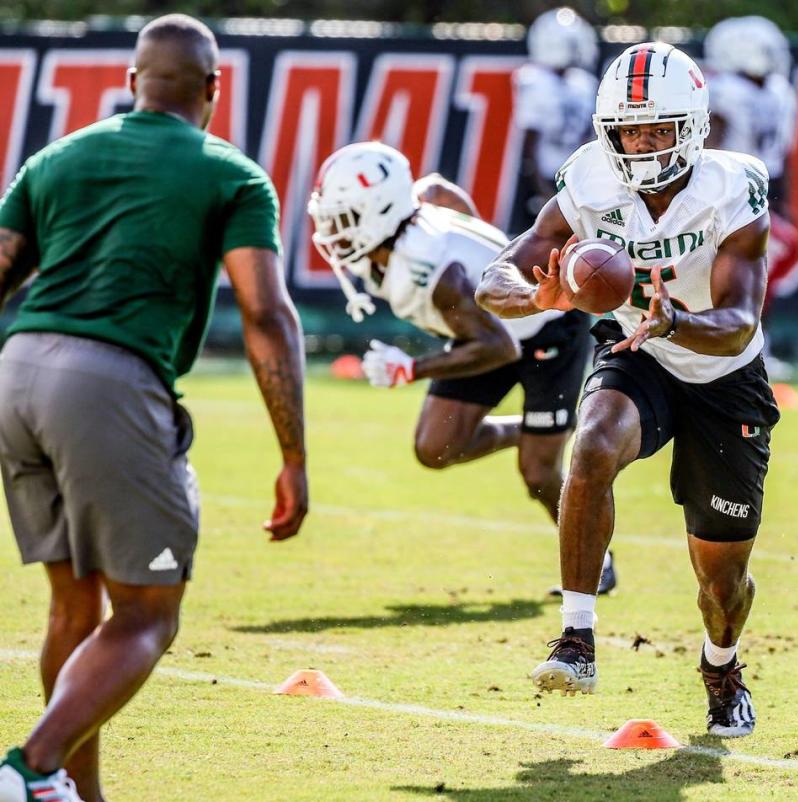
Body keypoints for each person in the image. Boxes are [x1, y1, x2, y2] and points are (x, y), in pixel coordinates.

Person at [0, 14, 308, 802]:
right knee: (147, 614)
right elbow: (267, 315)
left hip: (18, 373)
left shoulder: (55, 158)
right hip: (108, 384)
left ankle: (73, 793)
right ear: (214, 88)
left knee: (75, 607)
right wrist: (294, 456)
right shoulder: (229, 173)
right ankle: (26, 768)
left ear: (133, 83)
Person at [476, 42, 780, 737]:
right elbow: (497, 276)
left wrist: (677, 318)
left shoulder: (732, 187)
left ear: (693, 126)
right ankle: (576, 639)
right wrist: (536, 299)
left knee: (721, 583)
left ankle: (721, 664)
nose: (641, 144)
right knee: (592, 445)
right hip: (634, 349)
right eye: (628, 131)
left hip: (724, 375)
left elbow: (737, 325)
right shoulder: (588, 180)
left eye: (656, 129)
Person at [308, 141, 615, 592]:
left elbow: (499, 350)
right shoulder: (412, 217)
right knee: (435, 446)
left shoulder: (431, 271)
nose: (333, 231)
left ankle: (598, 560)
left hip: (546, 332)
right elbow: (437, 190)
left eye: (345, 219)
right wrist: (486, 252)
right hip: (488, 328)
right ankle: (528, 430)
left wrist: (411, 370)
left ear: (382, 213)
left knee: (538, 472)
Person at [703, 15, 798, 380]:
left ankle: (754, 342)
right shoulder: (728, 89)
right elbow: (710, 145)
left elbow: (783, 153)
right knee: (724, 271)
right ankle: (723, 339)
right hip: (729, 189)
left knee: (758, 274)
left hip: (760, 189)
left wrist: (783, 203)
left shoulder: (776, 90)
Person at [511, 7, 599, 234]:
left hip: (576, 177)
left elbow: (589, 138)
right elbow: (528, 144)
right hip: (546, 176)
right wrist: (541, 190)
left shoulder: (583, 83)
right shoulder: (535, 81)